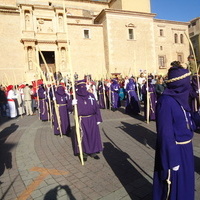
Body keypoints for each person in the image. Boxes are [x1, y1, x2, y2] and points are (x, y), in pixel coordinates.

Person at [153, 61, 196, 200]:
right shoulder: (166, 101)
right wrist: (172, 160)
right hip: (175, 151)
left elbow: (189, 121)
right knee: (174, 186)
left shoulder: (182, 99)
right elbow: (165, 134)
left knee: (186, 183)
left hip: (187, 148)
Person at [73, 79, 103, 161]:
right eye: (80, 86)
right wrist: (72, 104)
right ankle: (84, 152)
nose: (82, 88)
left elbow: (96, 107)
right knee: (84, 136)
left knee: (93, 135)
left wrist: (98, 118)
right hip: (82, 120)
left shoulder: (91, 95)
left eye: (84, 86)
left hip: (92, 118)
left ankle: (93, 151)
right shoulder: (75, 97)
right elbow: (69, 108)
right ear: (78, 87)